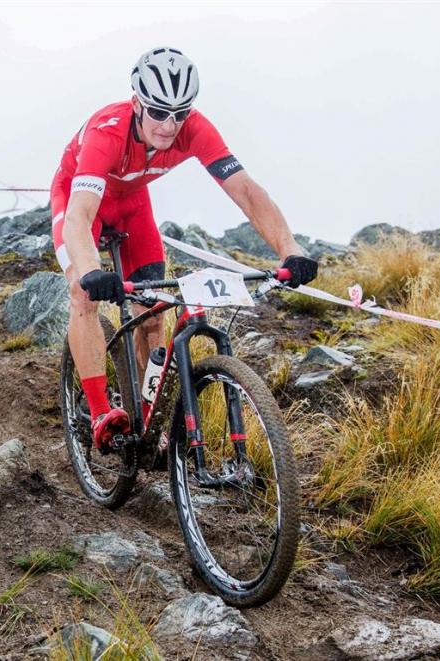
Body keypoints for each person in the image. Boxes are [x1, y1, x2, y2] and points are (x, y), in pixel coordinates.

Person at [50, 46, 318, 451]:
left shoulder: (194, 128)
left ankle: (147, 415)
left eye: (179, 113)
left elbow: (245, 190)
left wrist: (290, 250)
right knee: (81, 292)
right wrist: (89, 270)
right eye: (158, 112)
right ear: (138, 103)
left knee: (154, 316)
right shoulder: (108, 132)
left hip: (132, 205)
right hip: (78, 201)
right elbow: (79, 218)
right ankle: (101, 409)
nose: (169, 125)